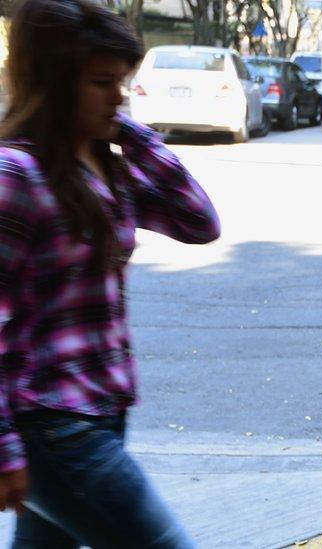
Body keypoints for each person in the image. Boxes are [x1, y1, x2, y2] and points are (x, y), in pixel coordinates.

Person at [0, 1, 222, 546]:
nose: (119, 95)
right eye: (102, 83)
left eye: (122, 81)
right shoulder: (16, 176)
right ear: (54, 83)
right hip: (50, 424)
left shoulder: (107, 167)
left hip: (101, 412)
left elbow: (200, 222)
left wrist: (133, 134)